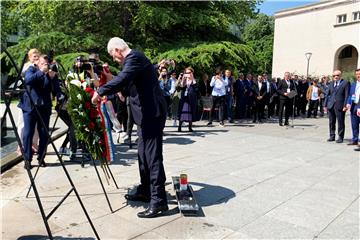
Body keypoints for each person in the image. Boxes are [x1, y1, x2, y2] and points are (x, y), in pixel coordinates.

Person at [91, 37, 168, 218]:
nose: (114, 59)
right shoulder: (133, 64)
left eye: (113, 56)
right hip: (144, 116)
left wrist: (100, 91)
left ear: (118, 50)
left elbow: (124, 79)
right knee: (142, 155)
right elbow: (125, 88)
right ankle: (146, 190)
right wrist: (111, 80)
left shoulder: (135, 57)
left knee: (152, 157)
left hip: (152, 115)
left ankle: (159, 201)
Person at [20, 54, 62, 169]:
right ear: (37, 63)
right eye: (43, 63)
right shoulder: (31, 70)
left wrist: (53, 78)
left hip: (44, 107)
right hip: (30, 107)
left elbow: (55, 90)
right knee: (28, 133)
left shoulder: (49, 73)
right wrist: (41, 72)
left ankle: (41, 158)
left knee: (44, 134)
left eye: (46, 64)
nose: (45, 65)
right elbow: (28, 80)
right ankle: (27, 159)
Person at [16, 48, 41, 156]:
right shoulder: (27, 66)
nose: (35, 58)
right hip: (26, 99)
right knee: (22, 124)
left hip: (36, 99)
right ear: (29, 57)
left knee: (35, 125)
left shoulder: (39, 66)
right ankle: (20, 145)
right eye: (33, 56)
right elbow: (25, 76)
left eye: (37, 56)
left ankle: (34, 144)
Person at [324, 70, 349, 143]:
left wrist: (345, 105)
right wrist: (325, 105)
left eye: (337, 75)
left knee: (340, 122)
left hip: (340, 106)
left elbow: (347, 95)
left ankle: (340, 137)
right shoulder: (331, 83)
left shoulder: (345, 83)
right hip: (331, 106)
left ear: (340, 75)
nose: (335, 77)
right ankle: (332, 136)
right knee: (331, 122)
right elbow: (327, 95)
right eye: (334, 76)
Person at [177, 67, 198, 132]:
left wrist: (192, 79)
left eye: (189, 72)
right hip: (184, 98)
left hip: (191, 98)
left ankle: (190, 127)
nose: (187, 74)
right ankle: (179, 127)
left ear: (192, 73)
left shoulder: (194, 80)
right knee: (183, 111)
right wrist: (183, 78)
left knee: (191, 112)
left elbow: (196, 88)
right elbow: (181, 87)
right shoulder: (185, 79)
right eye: (186, 72)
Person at [346, 68, 360, 146]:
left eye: (359, 74)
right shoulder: (353, 84)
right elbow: (350, 95)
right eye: (357, 74)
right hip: (353, 107)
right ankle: (355, 139)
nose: (358, 76)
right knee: (354, 124)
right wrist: (348, 103)